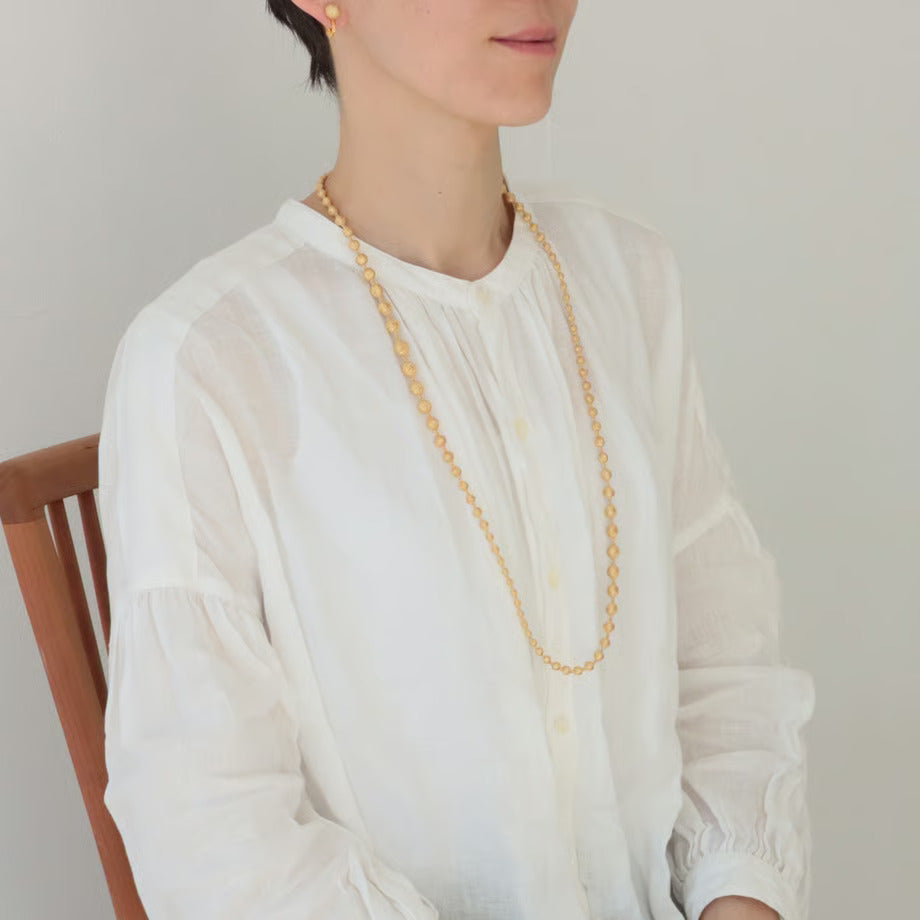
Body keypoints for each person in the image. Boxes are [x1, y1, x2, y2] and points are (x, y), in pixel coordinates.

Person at [97, 2, 816, 919]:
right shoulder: (210, 358)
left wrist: (740, 898)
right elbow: (208, 829)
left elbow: (725, 664)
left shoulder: (627, 277)